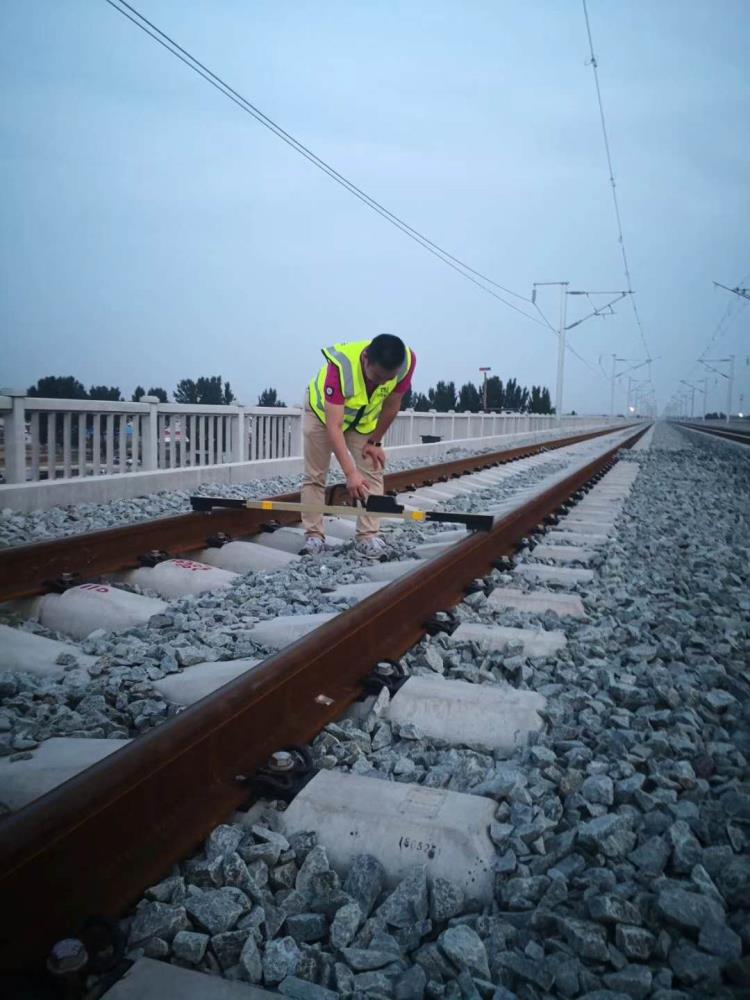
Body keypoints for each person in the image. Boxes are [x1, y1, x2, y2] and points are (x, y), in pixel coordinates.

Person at [301, 334, 416, 558]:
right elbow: (334, 426)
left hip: (361, 422)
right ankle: (314, 535)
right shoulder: (340, 366)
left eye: (387, 378)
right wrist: (350, 473)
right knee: (315, 475)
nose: (381, 383)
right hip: (322, 415)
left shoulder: (406, 363)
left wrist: (375, 442)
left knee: (373, 469)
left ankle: (368, 536)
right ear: (365, 358)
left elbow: (393, 404)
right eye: (377, 377)